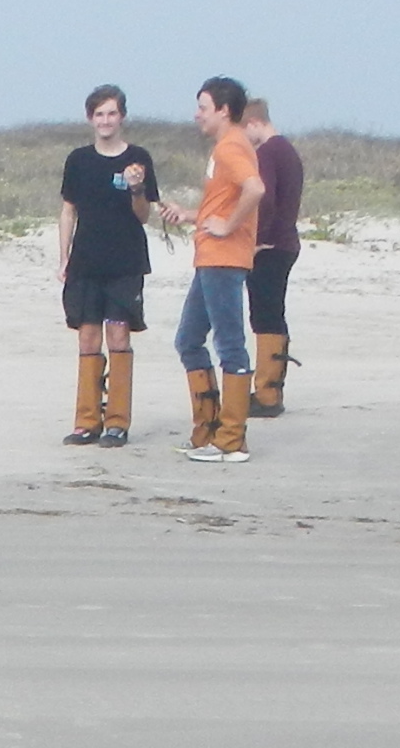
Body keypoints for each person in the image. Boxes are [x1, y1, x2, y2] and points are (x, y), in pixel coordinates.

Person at [55, 84, 159, 446]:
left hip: (125, 262)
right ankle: (87, 421)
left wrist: (136, 189)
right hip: (86, 261)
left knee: (118, 333)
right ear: (90, 119)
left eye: (112, 113)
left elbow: (144, 215)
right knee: (87, 336)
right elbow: (69, 210)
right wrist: (64, 257)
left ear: (122, 117)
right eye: (99, 114)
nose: (105, 120)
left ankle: (117, 421)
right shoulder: (79, 160)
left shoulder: (138, 159)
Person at [171, 77, 259, 462]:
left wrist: (227, 225)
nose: (197, 114)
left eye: (203, 107)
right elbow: (224, 201)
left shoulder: (231, 146)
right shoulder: (225, 148)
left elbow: (255, 189)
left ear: (223, 110)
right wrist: (193, 215)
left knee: (229, 344)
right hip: (209, 255)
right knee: (188, 340)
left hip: (224, 257)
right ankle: (207, 429)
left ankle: (232, 439)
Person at [243, 95, 304, 416]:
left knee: (264, 315)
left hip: (272, 246)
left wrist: (258, 240)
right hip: (286, 244)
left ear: (254, 123)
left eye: (244, 130)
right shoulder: (288, 151)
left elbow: (264, 201)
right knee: (272, 314)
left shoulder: (268, 151)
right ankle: (271, 389)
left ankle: (267, 393)